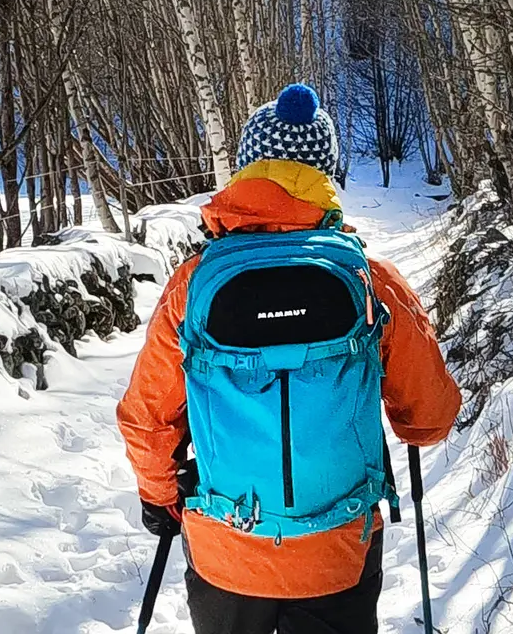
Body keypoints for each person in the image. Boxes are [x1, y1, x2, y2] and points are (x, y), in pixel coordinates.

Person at [118, 83, 461, 634]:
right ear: (325, 177)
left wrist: (160, 496)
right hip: (337, 550)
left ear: (246, 173)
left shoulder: (193, 285)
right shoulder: (370, 282)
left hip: (226, 551)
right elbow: (431, 419)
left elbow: (147, 415)